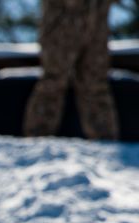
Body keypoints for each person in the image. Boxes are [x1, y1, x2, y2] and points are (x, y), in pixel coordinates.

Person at [23, 0, 119, 141]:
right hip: (62, 21)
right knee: (53, 81)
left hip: (97, 20)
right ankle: (38, 136)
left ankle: (104, 138)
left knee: (96, 84)